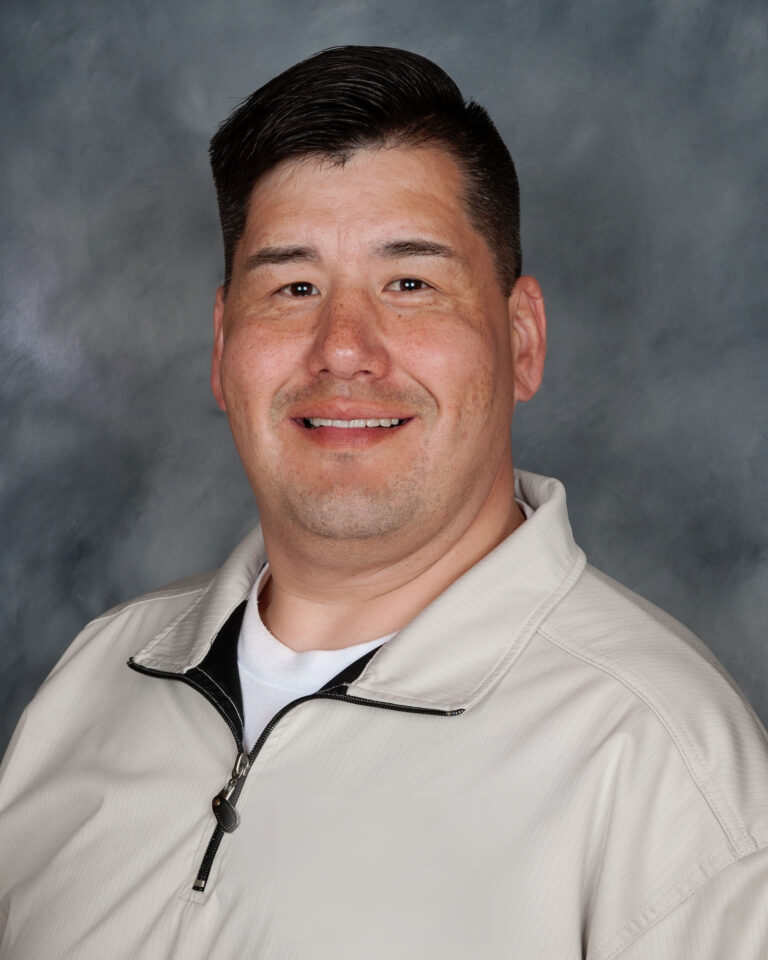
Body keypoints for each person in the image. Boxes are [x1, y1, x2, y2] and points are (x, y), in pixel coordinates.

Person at [0, 45, 766, 960]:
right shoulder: (92, 683)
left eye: (410, 283)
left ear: (521, 341)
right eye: (293, 287)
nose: (344, 349)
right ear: (220, 346)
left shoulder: (665, 766)